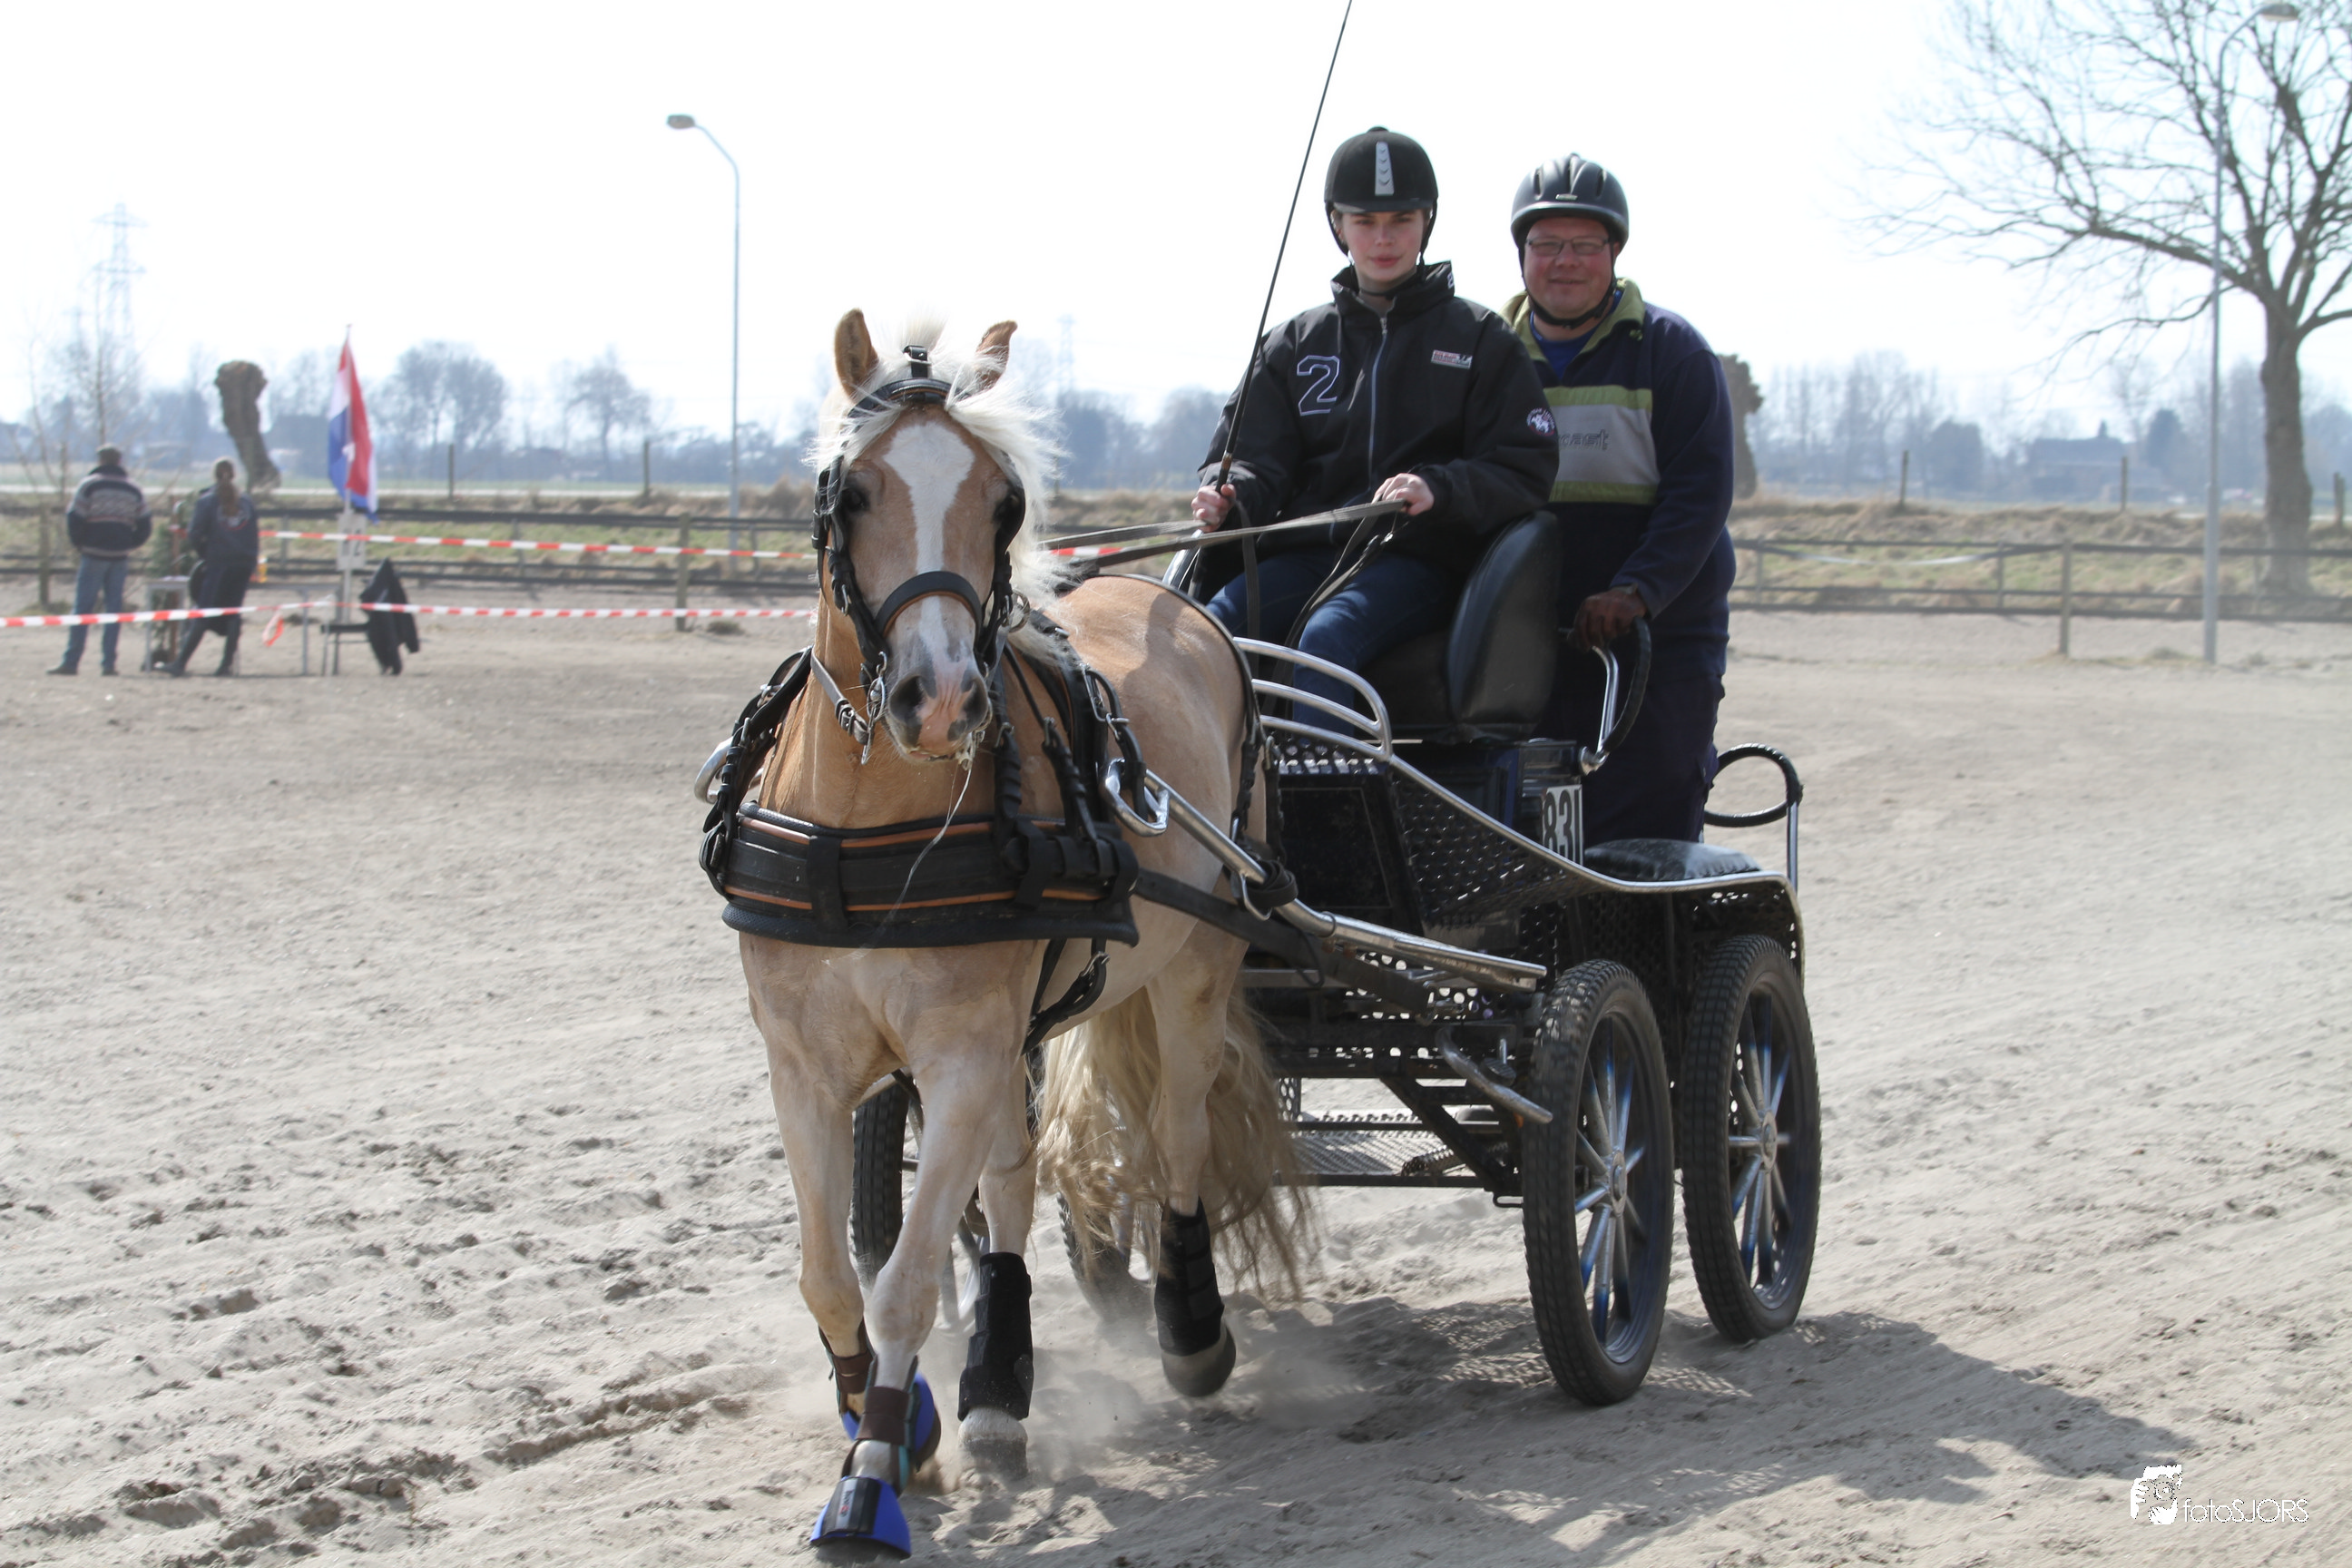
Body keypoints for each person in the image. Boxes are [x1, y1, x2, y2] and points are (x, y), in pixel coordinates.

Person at [1193, 126, 1554, 724]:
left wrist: (1439, 488)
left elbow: (1525, 466)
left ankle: (1324, 787)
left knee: (1326, 640)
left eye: (1401, 220)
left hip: (1417, 562)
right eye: (1365, 222)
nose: (1383, 239)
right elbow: (1253, 458)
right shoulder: (1292, 344)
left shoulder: (1482, 340)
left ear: (1427, 221)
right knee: (1205, 630)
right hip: (1306, 557)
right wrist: (1229, 495)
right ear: (1337, 226)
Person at [1504, 155, 1736, 843]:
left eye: (1585, 244)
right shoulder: (1489, 358)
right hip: (1527, 639)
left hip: (1656, 640)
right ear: (1522, 255)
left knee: (1651, 810)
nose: (1565, 262)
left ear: (1615, 253)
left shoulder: (1672, 353)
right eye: (1547, 244)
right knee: (1524, 820)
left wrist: (1636, 591)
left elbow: (1700, 494)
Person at [48, 446, 152, 676]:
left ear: (101, 460)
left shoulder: (89, 485)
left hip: (93, 553)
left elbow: (74, 517)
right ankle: (109, 663)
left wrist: (80, 544)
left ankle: (72, 661)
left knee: (83, 608)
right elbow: (145, 524)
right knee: (113, 610)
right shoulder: (133, 489)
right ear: (120, 461)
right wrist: (129, 543)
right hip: (120, 556)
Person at [170, 459, 261, 678]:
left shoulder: (207, 501)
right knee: (233, 612)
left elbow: (194, 534)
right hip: (243, 563)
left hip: (219, 562)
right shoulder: (247, 503)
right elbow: (254, 534)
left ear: (215, 475)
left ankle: (181, 663)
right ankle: (226, 665)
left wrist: (205, 555)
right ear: (234, 475)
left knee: (204, 610)